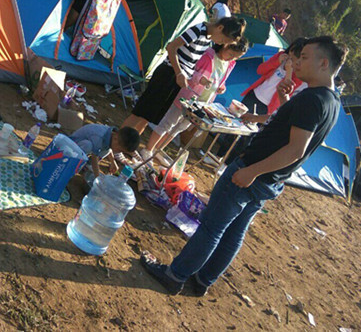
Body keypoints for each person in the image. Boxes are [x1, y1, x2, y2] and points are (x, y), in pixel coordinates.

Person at [140, 36, 348, 296]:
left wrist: (252, 171)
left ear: (324, 63)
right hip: (270, 181)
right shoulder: (331, 101)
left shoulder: (313, 99)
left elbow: (297, 149)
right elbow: (289, 131)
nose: (298, 63)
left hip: (255, 172)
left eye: (305, 58)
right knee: (234, 231)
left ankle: (175, 275)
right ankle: (203, 280)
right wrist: (284, 102)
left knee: (212, 226)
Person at [121, 16, 247, 136]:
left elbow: (190, 63)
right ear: (220, 28)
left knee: (150, 116)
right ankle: (118, 141)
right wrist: (179, 73)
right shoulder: (198, 30)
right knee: (141, 112)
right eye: (223, 40)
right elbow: (171, 47)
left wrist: (188, 76)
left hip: (176, 79)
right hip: (168, 73)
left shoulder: (207, 39)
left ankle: (130, 145)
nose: (221, 43)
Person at [140, 38, 250, 160]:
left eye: (236, 57)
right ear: (225, 45)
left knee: (180, 128)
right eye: (230, 54)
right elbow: (190, 71)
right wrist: (200, 79)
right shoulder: (208, 56)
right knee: (168, 123)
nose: (231, 58)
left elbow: (220, 80)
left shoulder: (230, 64)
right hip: (187, 96)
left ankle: (158, 150)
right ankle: (148, 149)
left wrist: (221, 87)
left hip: (202, 103)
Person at [239, 38, 308, 118]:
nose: (290, 58)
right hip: (254, 95)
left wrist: (289, 71)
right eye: (290, 53)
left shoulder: (299, 75)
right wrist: (277, 61)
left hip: (267, 107)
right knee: (238, 118)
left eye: (293, 58)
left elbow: (286, 92)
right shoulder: (281, 56)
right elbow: (260, 70)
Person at [69, 124, 141, 178]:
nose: (118, 152)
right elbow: (95, 158)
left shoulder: (112, 136)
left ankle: (87, 164)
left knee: (107, 150)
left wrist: (113, 162)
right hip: (73, 145)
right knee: (88, 145)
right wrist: (97, 177)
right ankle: (73, 163)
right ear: (116, 138)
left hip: (88, 145)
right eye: (119, 150)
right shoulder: (100, 137)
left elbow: (108, 150)